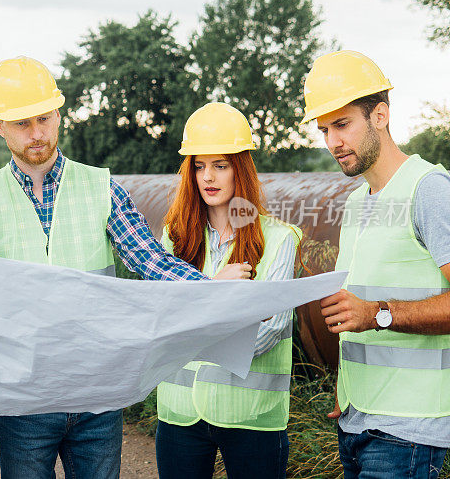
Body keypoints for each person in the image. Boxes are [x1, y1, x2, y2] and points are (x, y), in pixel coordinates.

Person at [0, 56, 248, 479]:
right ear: (0, 127)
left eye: (44, 118)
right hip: (22, 402)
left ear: (59, 115)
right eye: (22, 123)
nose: (37, 133)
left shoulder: (101, 188)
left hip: (96, 396)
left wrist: (213, 291)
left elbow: (151, 262)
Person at [304, 50, 450, 478]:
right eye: (325, 129)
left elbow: (371, 313)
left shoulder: (430, 190)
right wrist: (345, 388)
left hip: (407, 429)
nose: (333, 142)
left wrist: (377, 314)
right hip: (356, 421)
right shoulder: (355, 203)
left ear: (380, 116)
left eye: (343, 125)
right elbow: (358, 305)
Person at [153, 102, 302, 478]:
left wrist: (188, 325)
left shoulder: (279, 239)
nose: (208, 177)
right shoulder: (174, 238)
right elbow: (156, 318)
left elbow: (268, 333)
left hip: (251, 417)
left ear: (240, 169)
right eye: (199, 166)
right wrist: (222, 307)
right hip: (180, 412)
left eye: (220, 165)